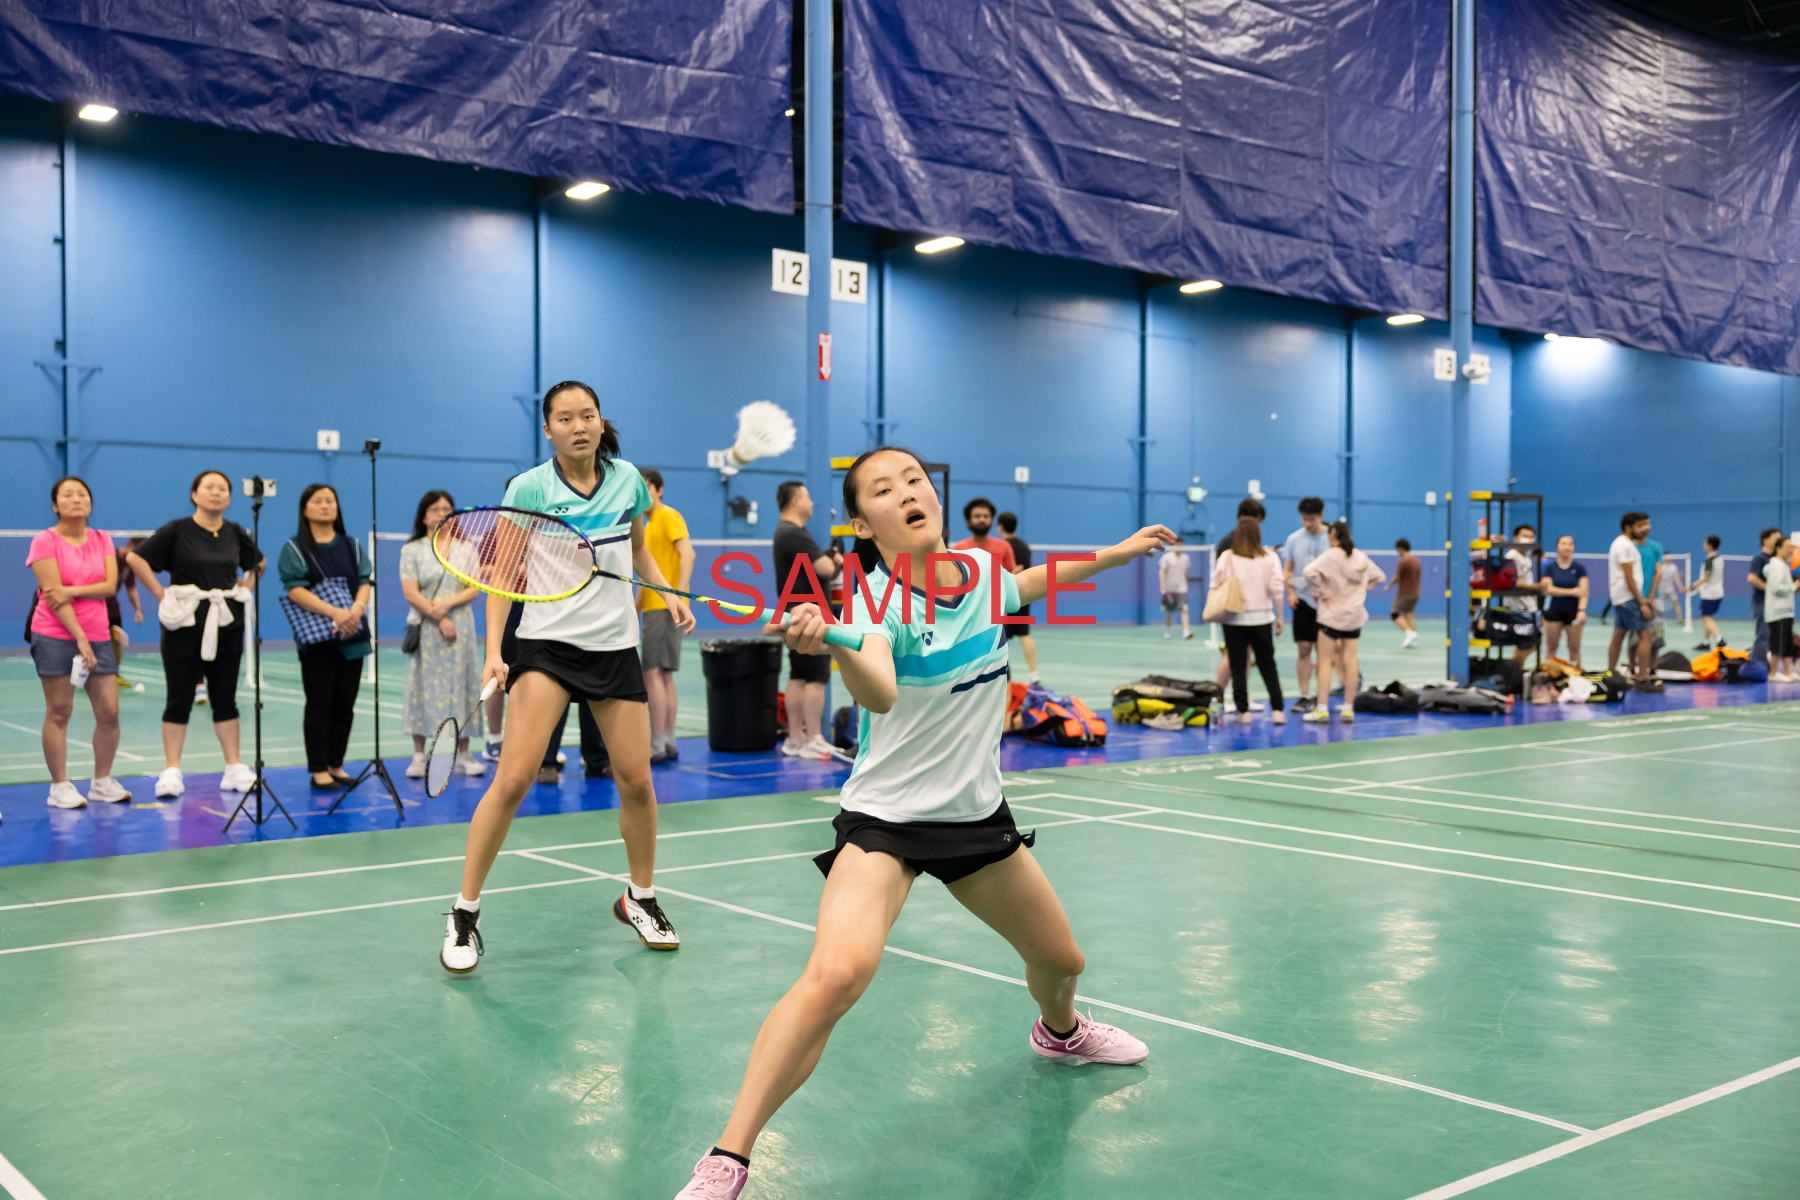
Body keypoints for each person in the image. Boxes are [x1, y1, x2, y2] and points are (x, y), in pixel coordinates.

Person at [670, 446, 1164, 1200]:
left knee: (1064, 963)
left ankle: (1060, 1033)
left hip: (975, 816)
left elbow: (1033, 580)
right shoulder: (872, 605)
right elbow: (879, 690)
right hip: (888, 822)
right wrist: (835, 642)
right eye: (882, 489)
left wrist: (1118, 553)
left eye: (913, 480)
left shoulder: (981, 571)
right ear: (862, 524)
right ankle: (728, 1156)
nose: (907, 492)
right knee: (837, 974)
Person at [441, 380, 696, 973]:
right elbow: (503, 575)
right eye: (565, 418)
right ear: (548, 429)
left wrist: (666, 592)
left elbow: (637, 547)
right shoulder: (529, 489)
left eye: (588, 415)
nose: (579, 426)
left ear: (601, 422)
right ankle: (464, 912)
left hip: (614, 647)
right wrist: (494, 651)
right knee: (514, 779)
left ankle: (640, 897)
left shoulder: (628, 480)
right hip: (548, 648)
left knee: (637, 781)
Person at [126, 470, 263, 799]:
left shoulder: (235, 532)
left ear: (229, 497)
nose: (216, 493)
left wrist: (245, 588)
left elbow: (258, 563)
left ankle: (234, 767)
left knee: (225, 697)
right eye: (209, 487)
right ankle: (171, 771)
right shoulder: (177, 530)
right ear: (194, 494)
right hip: (184, 623)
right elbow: (135, 557)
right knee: (179, 697)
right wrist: (161, 594)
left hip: (226, 623)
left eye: (223, 489)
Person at [26, 476, 128, 809]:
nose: (76, 499)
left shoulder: (102, 538)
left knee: (109, 712)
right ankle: (59, 786)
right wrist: (80, 638)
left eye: (82, 494)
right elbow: (52, 596)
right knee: (60, 711)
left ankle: (101, 782)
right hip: (55, 634)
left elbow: (109, 586)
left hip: (98, 634)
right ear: (55, 505)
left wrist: (72, 590)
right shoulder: (45, 541)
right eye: (68, 495)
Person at [277, 484, 374, 790]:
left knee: (345, 704)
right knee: (320, 703)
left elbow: (364, 581)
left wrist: (356, 610)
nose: (324, 506)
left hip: (353, 634)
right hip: (318, 640)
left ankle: (336, 764)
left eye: (330, 500)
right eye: (317, 501)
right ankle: (318, 769)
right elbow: (295, 590)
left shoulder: (352, 545)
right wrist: (335, 613)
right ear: (305, 509)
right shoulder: (294, 548)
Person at [400, 490, 487, 783]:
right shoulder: (412, 550)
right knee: (421, 686)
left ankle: (464, 754)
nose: (442, 514)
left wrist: (447, 607)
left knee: (464, 685)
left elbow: (473, 589)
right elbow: (410, 591)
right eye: (435, 509)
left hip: (460, 627)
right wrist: (437, 616)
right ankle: (419, 756)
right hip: (427, 626)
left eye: (447, 508)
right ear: (424, 516)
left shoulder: (467, 549)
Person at [772, 480, 842, 759]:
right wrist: (834, 560)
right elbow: (824, 569)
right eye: (808, 497)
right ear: (795, 501)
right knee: (816, 675)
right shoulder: (794, 533)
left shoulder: (784, 532)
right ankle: (813, 737)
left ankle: (794, 739)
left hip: (795, 612)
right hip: (809, 615)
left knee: (799, 674)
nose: (812, 502)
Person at [1301, 521, 1385, 723]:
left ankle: (1322, 709)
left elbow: (1308, 572)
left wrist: (1322, 589)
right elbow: (1379, 577)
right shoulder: (1360, 557)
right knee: (1351, 660)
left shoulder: (1330, 555)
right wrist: (1361, 589)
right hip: (1354, 616)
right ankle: (1348, 708)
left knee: (1324, 661)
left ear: (1332, 536)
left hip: (1332, 615)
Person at [1208, 516, 1287, 727]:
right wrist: (1279, 617)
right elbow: (1277, 588)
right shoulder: (1270, 557)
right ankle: (1278, 710)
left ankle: (1243, 712)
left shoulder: (1227, 557)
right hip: (1262, 619)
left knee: (1238, 666)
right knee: (1268, 666)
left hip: (1234, 619)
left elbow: (1215, 582)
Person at [638, 469, 694, 764]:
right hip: (655, 606)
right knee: (663, 675)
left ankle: (657, 744)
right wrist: (635, 607)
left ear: (658, 490)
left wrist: (679, 595)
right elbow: (648, 577)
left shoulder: (667, 516)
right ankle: (669, 741)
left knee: (652, 674)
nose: (643, 494)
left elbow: (688, 554)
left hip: (664, 608)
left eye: (647, 488)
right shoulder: (647, 527)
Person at [1214, 498, 1267, 713]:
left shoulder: (1248, 541)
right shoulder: (1230, 543)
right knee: (1231, 657)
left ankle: (1240, 698)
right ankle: (1217, 698)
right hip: (1233, 611)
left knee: (1245, 657)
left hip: (1248, 610)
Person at [1280, 497, 1329, 711]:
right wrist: (1290, 592)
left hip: (1326, 602)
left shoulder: (1331, 538)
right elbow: (1288, 569)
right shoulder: (1293, 539)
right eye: (1304, 519)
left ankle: (1321, 695)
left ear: (1321, 516)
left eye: (1312, 519)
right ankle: (1304, 695)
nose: (1307, 523)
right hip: (1302, 600)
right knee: (1304, 648)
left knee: (1324, 651)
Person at [1604, 511, 1655, 685]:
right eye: (1640, 526)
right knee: (1645, 635)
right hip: (1628, 598)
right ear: (1628, 527)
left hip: (1621, 598)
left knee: (1619, 634)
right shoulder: (1625, 546)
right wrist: (1641, 601)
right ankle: (1642, 678)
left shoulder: (1621, 543)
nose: (1646, 528)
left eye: (1647, 524)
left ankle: (1610, 674)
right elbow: (1628, 576)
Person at [995, 512, 1040, 682]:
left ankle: (1001, 674)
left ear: (1000, 527)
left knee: (999, 636)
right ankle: (1033, 673)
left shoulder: (1002, 546)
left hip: (1006, 596)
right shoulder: (1024, 546)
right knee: (1024, 634)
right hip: (1023, 595)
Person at [1540, 535, 1589, 668]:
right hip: (1553, 611)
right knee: (1551, 646)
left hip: (1573, 611)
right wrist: (1573, 591)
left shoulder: (1579, 568)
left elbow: (1584, 591)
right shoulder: (1549, 568)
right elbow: (1548, 590)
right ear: (1557, 547)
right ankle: (1549, 675)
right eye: (1563, 544)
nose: (1567, 547)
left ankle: (1576, 676)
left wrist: (1581, 610)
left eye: (1570, 544)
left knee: (1574, 648)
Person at [1504, 525, 1542, 667]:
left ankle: (1516, 670)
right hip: (1519, 608)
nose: (1528, 539)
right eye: (1525, 536)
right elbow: (1516, 582)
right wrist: (1537, 587)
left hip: (1529, 606)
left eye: (1531, 536)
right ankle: (1514, 671)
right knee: (1526, 644)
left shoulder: (1526, 557)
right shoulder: (1512, 556)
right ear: (1516, 538)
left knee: (1533, 643)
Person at [1761, 536, 1795, 682]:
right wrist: (1794, 587)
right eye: (1788, 547)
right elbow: (1776, 588)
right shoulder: (1776, 565)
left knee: (1787, 643)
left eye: (1792, 547)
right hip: (1777, 612)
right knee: (1778, 642)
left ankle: (1788, 672)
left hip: (1787, 611)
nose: (1791, 550)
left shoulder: (1783, 565)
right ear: (1778, 549)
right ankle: (1773, 673)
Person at [1748, 527, 1780, 666]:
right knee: (1763, 635)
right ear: (1765, 540)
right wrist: (1769, 589)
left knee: (1774, 636)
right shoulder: (1759, 559)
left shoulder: (1777, 560)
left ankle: (1770, 666)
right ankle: (1757, 665)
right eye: (1776, 538)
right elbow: (1752, 578)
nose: (1779, 541)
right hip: (1762, 603)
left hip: (1776, 604)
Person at [1690, 535, 1725, 650]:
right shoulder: (1720, 558)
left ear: (1709, 545)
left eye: (1705, 543)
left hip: (1710, 594)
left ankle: (1719, 639)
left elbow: (1706, 577)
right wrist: (1700, 588)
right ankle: (1705, 642)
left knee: (1706, 617)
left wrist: (1693, 585)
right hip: (1718, 592)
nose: (1703, 545)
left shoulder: (1709, 561)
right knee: (1707, 616)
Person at [1387, 538, 1421, 648]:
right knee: (1409, 615)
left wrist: (1389, 586)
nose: (1397, 553)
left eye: (1397, 550)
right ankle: (1411, 640)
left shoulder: (1404, 561)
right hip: (1415, 593)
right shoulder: (1416, 561)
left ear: (1401, 548)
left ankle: (1409, 633)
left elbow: (1397, 577)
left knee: (1394, 614)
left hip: (1405, 593)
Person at [1159, 538, 1193, 639]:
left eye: (1181, 545)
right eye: (1177, 545)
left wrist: (1186, 584)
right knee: (1169, 611)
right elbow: (1162, 571)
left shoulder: (1185, 558)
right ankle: (1168, 630)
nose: (1179, 547)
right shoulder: (1167, 557)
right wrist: (1162, 585)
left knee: (1184, 609)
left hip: (1182, 588)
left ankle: (1186, 631)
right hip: (1169, 588)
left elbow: (1185, 572)